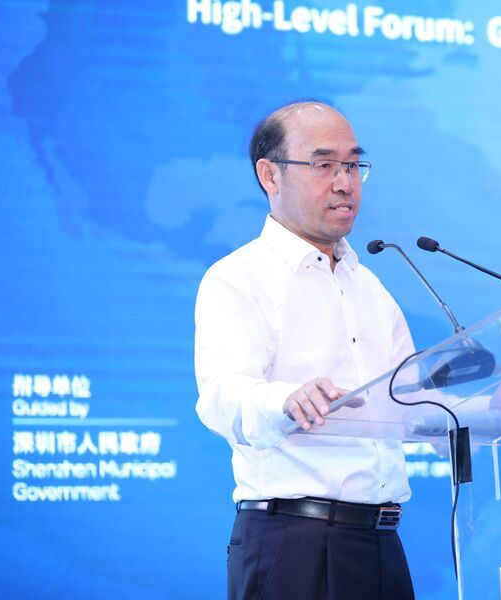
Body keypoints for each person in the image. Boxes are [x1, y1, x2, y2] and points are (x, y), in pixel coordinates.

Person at [194, 100, 416, 600]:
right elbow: (222, 397)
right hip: (294, 543)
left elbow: (411, 402)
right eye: (324, 165)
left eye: (353, 165)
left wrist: (487, 408)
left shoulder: (371, 289)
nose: (344, 182)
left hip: (381, 544)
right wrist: (287, 400)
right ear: (269, 175)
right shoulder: (238, 278)